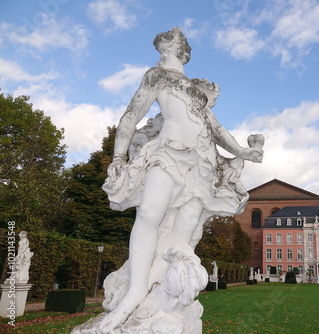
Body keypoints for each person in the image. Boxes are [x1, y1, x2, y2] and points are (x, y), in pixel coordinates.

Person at [99, 27, 263, 332]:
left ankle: (150, 291)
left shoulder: (195, 90)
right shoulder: (157, 75)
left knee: (183, 237)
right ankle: (134, 291)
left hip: (200, 166)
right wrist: (119, 157)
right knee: (149, 213)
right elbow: (130, 117)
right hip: (169, 152)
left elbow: (216, 128)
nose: (163, 47)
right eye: (160, 44)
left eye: (169, 42)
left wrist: (242, 150)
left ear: (182, 49)